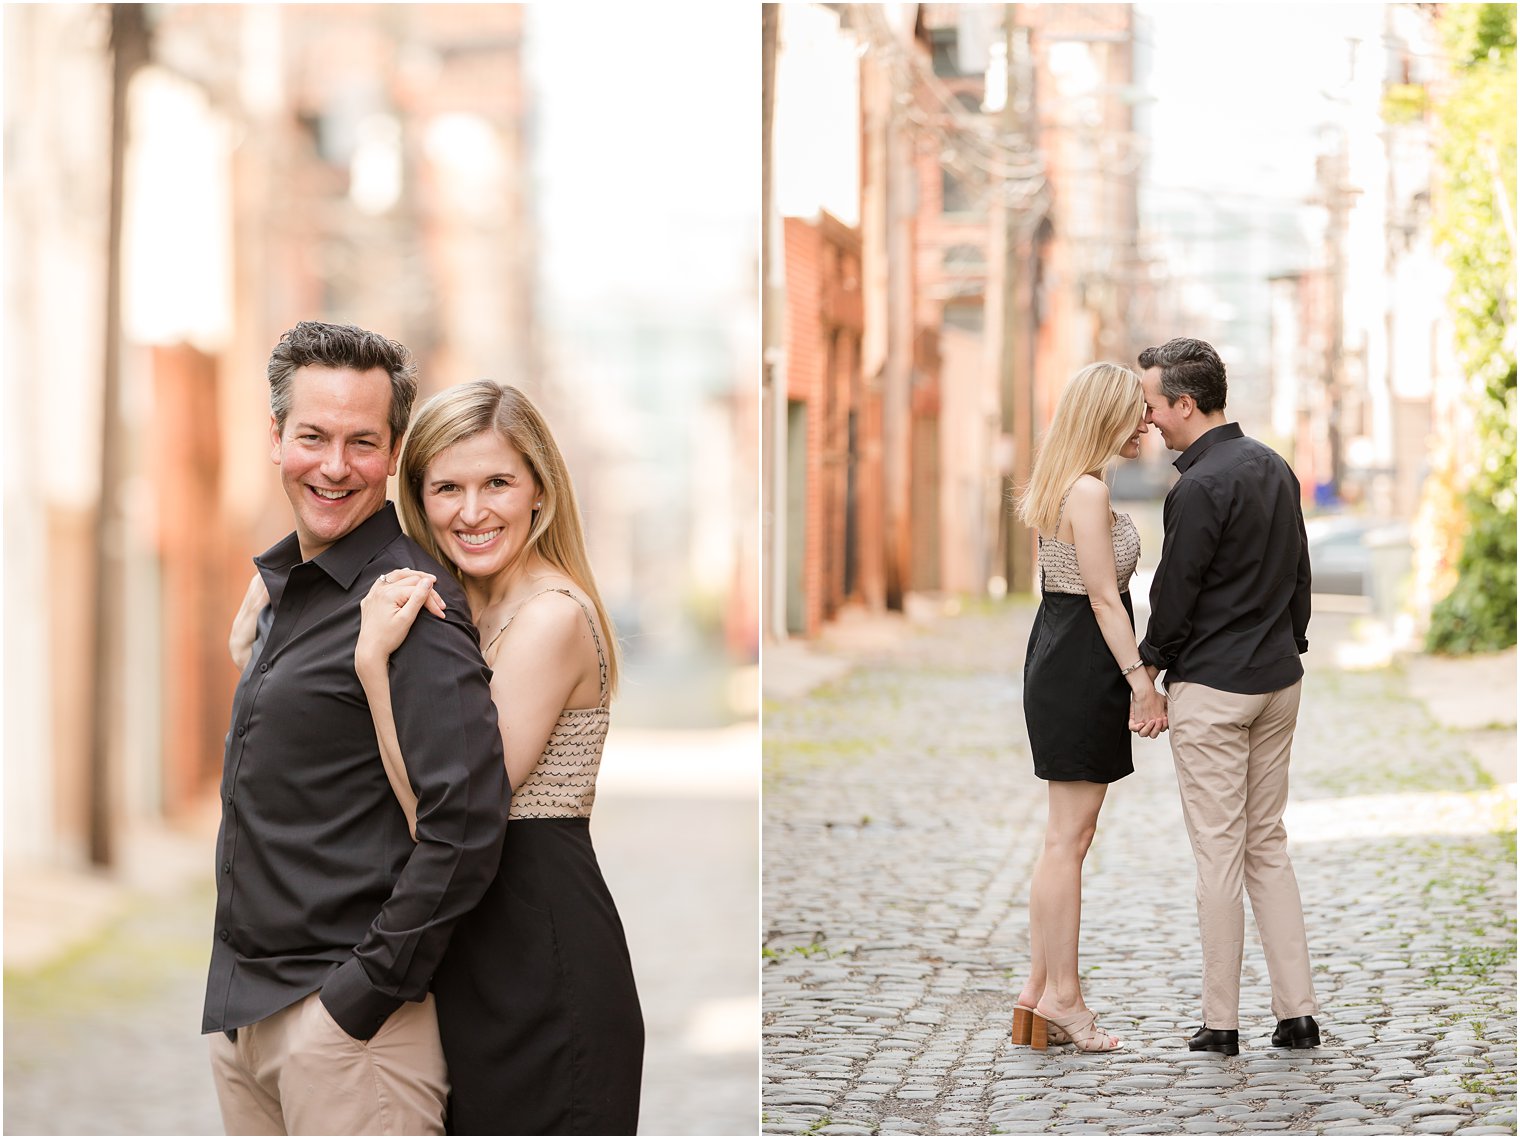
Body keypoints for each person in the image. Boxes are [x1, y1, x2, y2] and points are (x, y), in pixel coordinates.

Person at [205, 321, 510, 1135]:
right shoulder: (286, 591)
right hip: (249, 1019)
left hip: (349, 1033)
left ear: (394, 449)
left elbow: (469, 824)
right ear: (275, 437)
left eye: (361, 442)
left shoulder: (411, 607)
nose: (335, 466)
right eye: (313, 436)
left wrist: (356, 1003)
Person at [352, 380, 643, 1134]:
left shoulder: (549, 618)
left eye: (497, 483)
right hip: (474, 961)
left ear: (539, 491)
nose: (473, 511)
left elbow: (449, 816)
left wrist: (373, 671)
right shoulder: (465, 606)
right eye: (448, 487)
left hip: (543, 964)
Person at [1134, 336, 1319, 1057]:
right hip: (1279, 682)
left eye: (1153, 404)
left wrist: (1150, 668)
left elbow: (1174, 598)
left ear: (1185, 402)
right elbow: (1299, 575)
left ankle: (1221, 1023)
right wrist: (1289, 642)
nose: (1147, 417)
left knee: (1218, 853)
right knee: (1267, 845)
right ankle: (1297, 1012)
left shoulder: (1197, 487)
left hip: (1214, 689)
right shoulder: (1275, 467)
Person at [1010, 362, 1168, 1054]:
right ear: (1104, 416)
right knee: (1068, 840)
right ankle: (1064, 999)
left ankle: (1038, 991)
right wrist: (1141, 681)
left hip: (1060, 651)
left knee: (1062, 837)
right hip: (1081, 662)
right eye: (1135, 412)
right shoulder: (1086, 490)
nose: (1146, 423)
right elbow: (1105, 596)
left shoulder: (1064, 484)